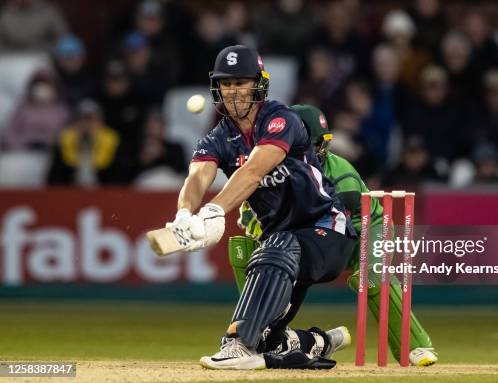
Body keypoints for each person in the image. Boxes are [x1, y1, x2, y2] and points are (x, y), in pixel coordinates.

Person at [166, 45, 356, 370]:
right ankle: (318, 341)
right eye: (226, 84)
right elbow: (197, 177)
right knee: (270, 340)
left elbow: (253, 170)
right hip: (285, 246)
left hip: (327, 230)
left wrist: (212, 212)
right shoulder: (217, 138)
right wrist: (184, 213)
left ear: (259, 85)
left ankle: (237, 346)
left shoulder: (282, 120)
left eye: (241, 83)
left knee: (276, 244)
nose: (233, 92)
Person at [231, 105, 439, 366]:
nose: (318, 152)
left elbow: (333, 230)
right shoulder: (271, 168)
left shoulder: (342, 178)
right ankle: (254, 336)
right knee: (249, 249)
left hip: (365, 227)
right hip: (310, 231)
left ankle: (416, 347)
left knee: (371, 275)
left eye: (321, 144)